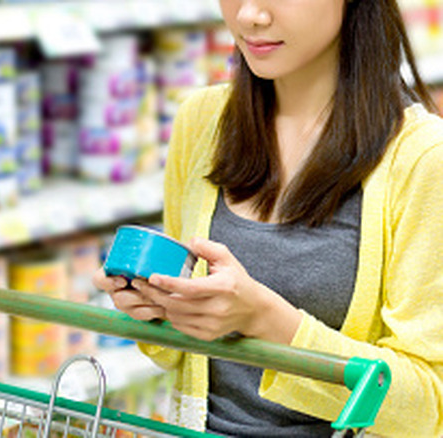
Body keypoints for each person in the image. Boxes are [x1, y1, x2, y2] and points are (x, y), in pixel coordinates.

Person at [93, 0, 443, 436]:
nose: (248, 16)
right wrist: (157, 307)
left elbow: (429, 407)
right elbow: (180, 355)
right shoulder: (202, 121)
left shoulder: (423, 158)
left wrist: (266, 321)